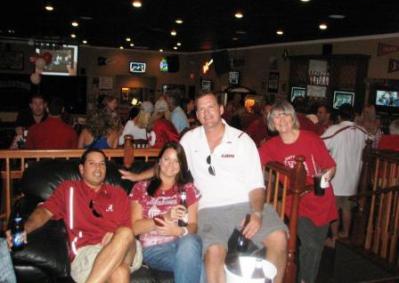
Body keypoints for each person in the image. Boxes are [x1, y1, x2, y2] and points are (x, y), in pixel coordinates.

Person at [121, 92, 288, 283]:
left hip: (246, 205)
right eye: (201, 109)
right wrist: (137, 176)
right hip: (210, 211)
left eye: (211, 107)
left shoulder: (243, 140)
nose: (206, 113)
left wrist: (257, 214)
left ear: (221, 109)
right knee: (214, 253)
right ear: (197, 115)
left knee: (279, 237)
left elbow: (257, 186)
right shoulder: (190, 140)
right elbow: (167, 163)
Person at [6, 148, 140, 283]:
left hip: (125, 249)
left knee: (125, 232)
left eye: (102, 163)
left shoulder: (118, 193)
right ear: (81, 169)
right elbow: (45, 212)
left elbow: (128, 229)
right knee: (120, 272)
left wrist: (115, 234)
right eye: (92, 163)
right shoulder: (68, 190)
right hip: (87, 253)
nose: (98, 167)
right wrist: (25, 228)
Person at [258, 100, 337, 283]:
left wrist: (323, 179)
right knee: (309, 245)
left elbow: (331, 166)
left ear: (292, 117)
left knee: (316, 247)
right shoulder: (271, 145)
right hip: (296, 202)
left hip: (321, 200)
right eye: (276, 116)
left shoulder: (311, 139)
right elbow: (251, 161)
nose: (281, 119)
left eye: (284, 114)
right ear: (271, 123)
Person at [130, 141, 202, 283]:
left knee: (189, 242)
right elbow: (134, 228)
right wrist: (165, 217)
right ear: (159, 161)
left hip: (185, 243)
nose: (171, 165)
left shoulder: (188, 189)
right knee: (199, 267)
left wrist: (178, 232)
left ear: (181, 166)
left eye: (176, 161)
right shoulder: (141, 188)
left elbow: (193, 226)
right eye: (167, 159)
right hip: (154, 248)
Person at [322, 104, 367, 245]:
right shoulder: (362, 132)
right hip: (353, 178)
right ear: (354, 115)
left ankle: (334, 237)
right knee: (347, 208)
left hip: (336, 178)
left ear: (339, 116)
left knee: (334, 209)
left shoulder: (335, 130)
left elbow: (320, 144)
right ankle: (346, 233)